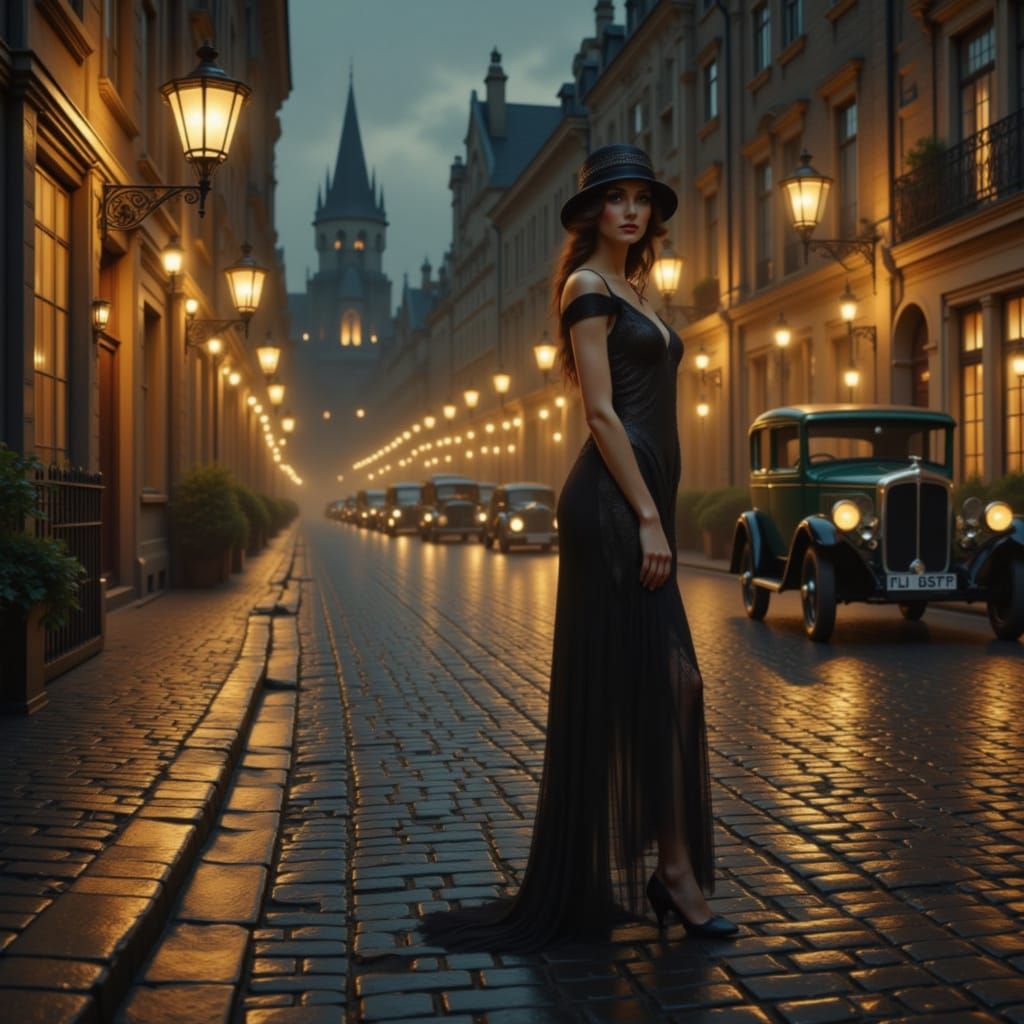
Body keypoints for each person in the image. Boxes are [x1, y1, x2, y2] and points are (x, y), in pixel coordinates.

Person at [419, 144, 737, 952]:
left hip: (640, 500)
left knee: (671, 688)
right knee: (673, 680)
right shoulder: (587, 288)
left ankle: (671, 869)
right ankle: (672, 874)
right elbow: (601, 412)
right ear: (592, 213)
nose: (630, 210)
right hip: (609, 504)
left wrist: (655, 508)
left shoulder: (639, 291)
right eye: (614, 198)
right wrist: (649, 518)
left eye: (641, 199)